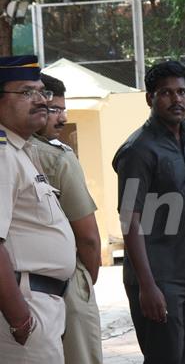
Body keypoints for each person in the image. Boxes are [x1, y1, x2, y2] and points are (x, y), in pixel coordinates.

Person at [112, 60, 185, 364]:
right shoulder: (138, 150)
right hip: (160, 277)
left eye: (182, 92)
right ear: (150, 98)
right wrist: (147, 286)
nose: (176, 99)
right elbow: (130, 219)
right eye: (166, 93)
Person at [0, 55, 76, 362]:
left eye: (41, 92)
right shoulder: (3, 156)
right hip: (24, 309)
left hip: (42, 303)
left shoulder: (22, 151)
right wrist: (20, 319)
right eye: (26, 93)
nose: (41, 100)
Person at [31, 73, 103, 364]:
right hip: (67, 280)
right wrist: (86, 281)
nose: (62, 119)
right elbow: (88, 237)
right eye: (54, 110)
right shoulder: (58, 158)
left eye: (64, 110)